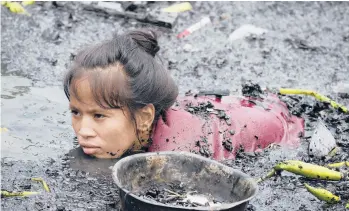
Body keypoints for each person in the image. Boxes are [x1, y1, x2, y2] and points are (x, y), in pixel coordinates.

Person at [63, 29, 304, 161]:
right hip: (207, 111)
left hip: (275, 122)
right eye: (76, 112)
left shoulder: (176, 156)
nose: (82, 130)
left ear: (145, 116)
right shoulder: (133, 123)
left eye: (98, 116)